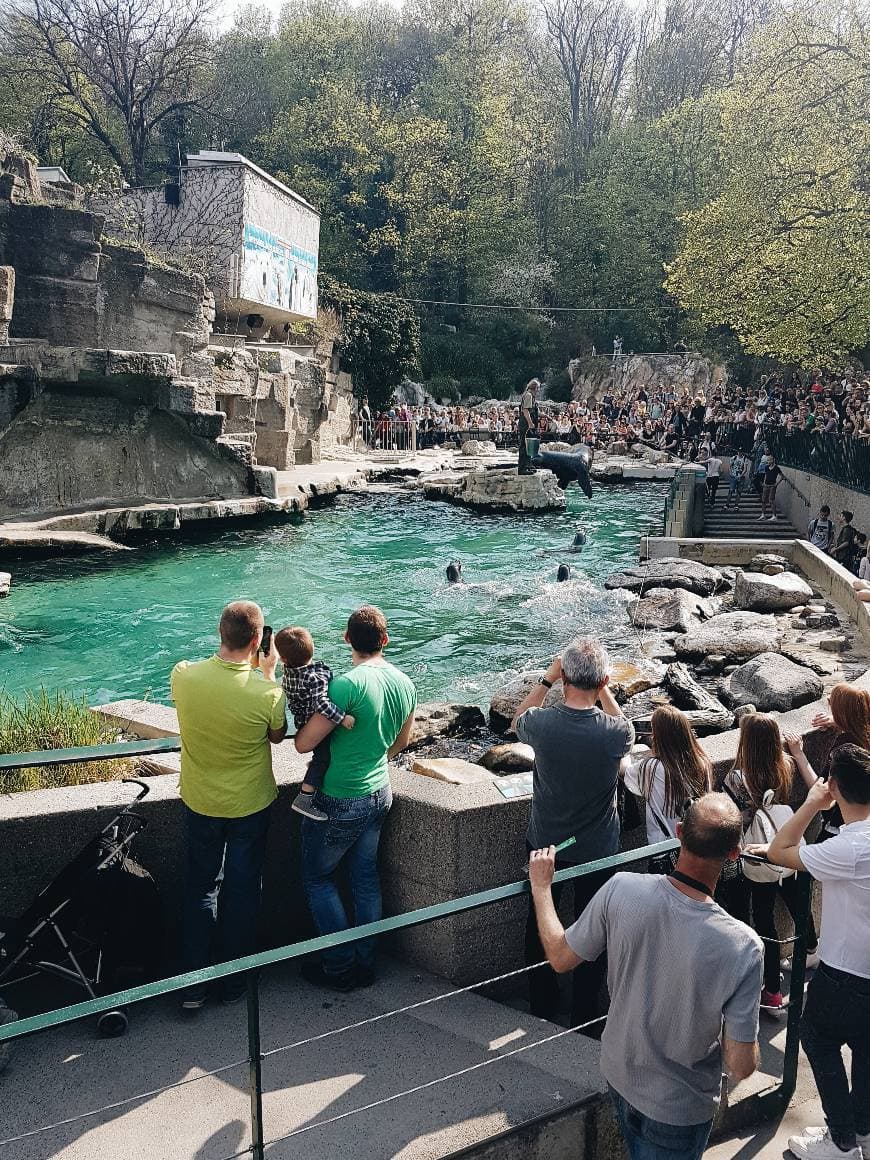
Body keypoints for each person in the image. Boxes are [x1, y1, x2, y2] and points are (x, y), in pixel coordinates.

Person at [529, 793, 762, 1160]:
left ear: (679, 831)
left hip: (619, 1076)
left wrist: (542, 888)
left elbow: (559, 957)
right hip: (679, 1108)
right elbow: (741, 1065)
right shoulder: (743, 946)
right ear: (734, 853)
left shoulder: (622, 888)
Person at [511, 639, 635, 1029]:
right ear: (601, 681)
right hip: (598, 847)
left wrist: (548, 679)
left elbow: (518, 718)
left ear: (564, 676)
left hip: (545, 840)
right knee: (593, 927)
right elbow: (622, 725)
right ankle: (586, 1013)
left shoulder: (542, 725)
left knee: (539, 919)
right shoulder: (616, 733)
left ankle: (542, 1005)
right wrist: (604, 688)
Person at [171, 600, 287, 1009]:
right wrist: (266, 674)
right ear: (259, 641)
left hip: (200, 800)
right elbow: (276, 736)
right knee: (241, 891)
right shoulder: (267, 692)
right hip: (250, 804)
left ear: (220, 633)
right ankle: (234, 982)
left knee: (201, 887)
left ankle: (193, 986)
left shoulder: (184, 676)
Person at [294, 606, 417, 989]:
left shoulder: (345, 685)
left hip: (341, 797)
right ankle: (365, 962)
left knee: (317, 877)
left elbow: (303, 744)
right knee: (365, 878)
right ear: (385, 639)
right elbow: (401, 742)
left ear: (347, 639)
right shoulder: (404, 682)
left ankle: (339, 964)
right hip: (380, 791)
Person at [758, 747, 870, 1160]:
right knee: (865, 1050)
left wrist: (810, 803)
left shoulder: (848, 849)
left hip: (846, 972)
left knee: (818, 1039)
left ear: (835, 787)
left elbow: (778, 851)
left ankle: (842, 1140)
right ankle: (863, 1130)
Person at [719, 715, 819, 1011]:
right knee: (797, 902)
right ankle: (812, 948)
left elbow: (736, 818)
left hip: (758, 854)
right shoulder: (785, 766)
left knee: (764, 919)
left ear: (744, 742)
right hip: (787, 846)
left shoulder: (735, 778)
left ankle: (773, 991)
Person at [275, 626, 356, 823]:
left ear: (283, 660)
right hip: (314, 723)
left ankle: (315, 767)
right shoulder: (314, 676)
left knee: (321, 756)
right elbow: (321, 703)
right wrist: (342, 718)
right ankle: (305, 796)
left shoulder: (289, 673)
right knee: (323, 758)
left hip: (301, 722)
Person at [623, 706, 712, 861]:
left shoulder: (652, 767)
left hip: (664, 849)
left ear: (658, 735)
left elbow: (625, 772)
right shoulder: (702, 762)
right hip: (697, 845)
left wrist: (625, 747)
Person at [518, 378, 540, 475]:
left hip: (528, 424)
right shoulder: (528, 395)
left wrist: (546, 416)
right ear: (534, 388)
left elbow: (534, 410)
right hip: (525, 424)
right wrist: (530, 423)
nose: (538, 391)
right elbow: (526, 411)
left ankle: (528, 465)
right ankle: (522, 468)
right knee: (524, 445)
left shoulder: (531, 396)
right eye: (538, 388)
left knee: (529, 446)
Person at [759, 453, 782, 520]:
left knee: (771, 500)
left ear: (773, 460)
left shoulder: (776, 468)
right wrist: (764, 482)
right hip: (766, 485)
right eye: (767, 460)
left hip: (772, 485)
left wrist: (777, 484)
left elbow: (782, 476)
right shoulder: (766, 467)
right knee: (763, 500)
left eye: (769, 460)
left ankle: (774, 515)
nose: (768, 462)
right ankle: (763, 515)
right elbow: (766, 475)